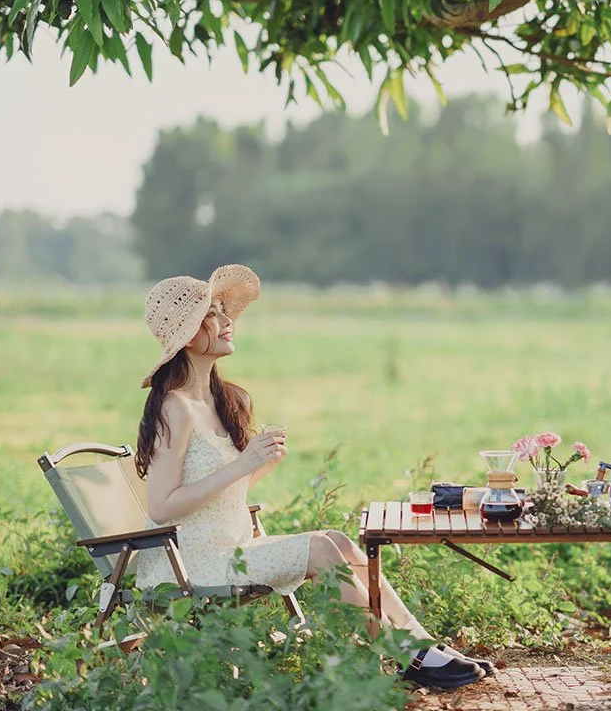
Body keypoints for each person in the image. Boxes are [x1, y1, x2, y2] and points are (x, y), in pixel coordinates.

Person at [132, 265, 490, 691]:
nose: (228, 322)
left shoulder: (219, 399)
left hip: (233, 549)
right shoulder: (176, 407)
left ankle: (422, 644)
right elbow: (161, 506)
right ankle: (401, 655)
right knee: (322, 548)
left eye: (224, 311)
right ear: (189, 335)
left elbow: (220, 496)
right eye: (213, 314)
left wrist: (259, 464)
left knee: (336, 540)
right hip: (192, 564)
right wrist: (242, 464)